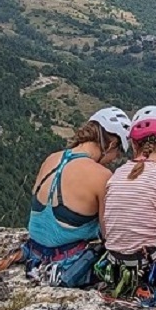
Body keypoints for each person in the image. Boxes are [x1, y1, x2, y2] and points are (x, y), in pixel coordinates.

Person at [25, 106, 131, 285]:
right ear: (111, 144)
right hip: (67, 263)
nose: (115, 158)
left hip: (33, 255)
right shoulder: (102, 176)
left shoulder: (51, 159)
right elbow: (109, 234)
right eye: (118, 151)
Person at [98, 108, 156, 298]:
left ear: (133, 143)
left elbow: (106, 230)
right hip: (149, 270)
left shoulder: (118, 175)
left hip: (114, 269)